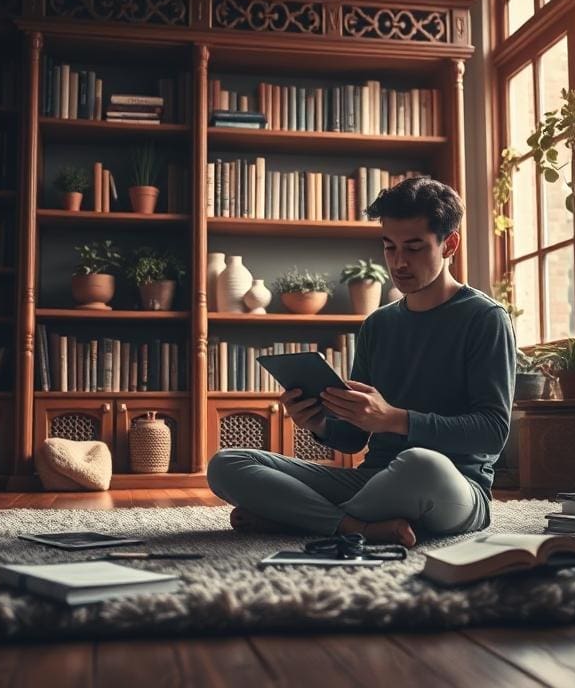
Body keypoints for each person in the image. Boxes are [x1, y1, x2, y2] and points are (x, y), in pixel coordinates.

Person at [207, 177, 516, 547]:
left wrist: (395, 420)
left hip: (450, 486)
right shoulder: (378, 324)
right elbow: (353, 440)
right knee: (227, 463)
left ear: (449, 244)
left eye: (414, 248)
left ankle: (298, 516)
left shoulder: (485, 318)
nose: (398, 262)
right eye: (389, 247)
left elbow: (492, 431)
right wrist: (320, 421)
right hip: (372, 480)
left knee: (421, 463)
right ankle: (354, 527)